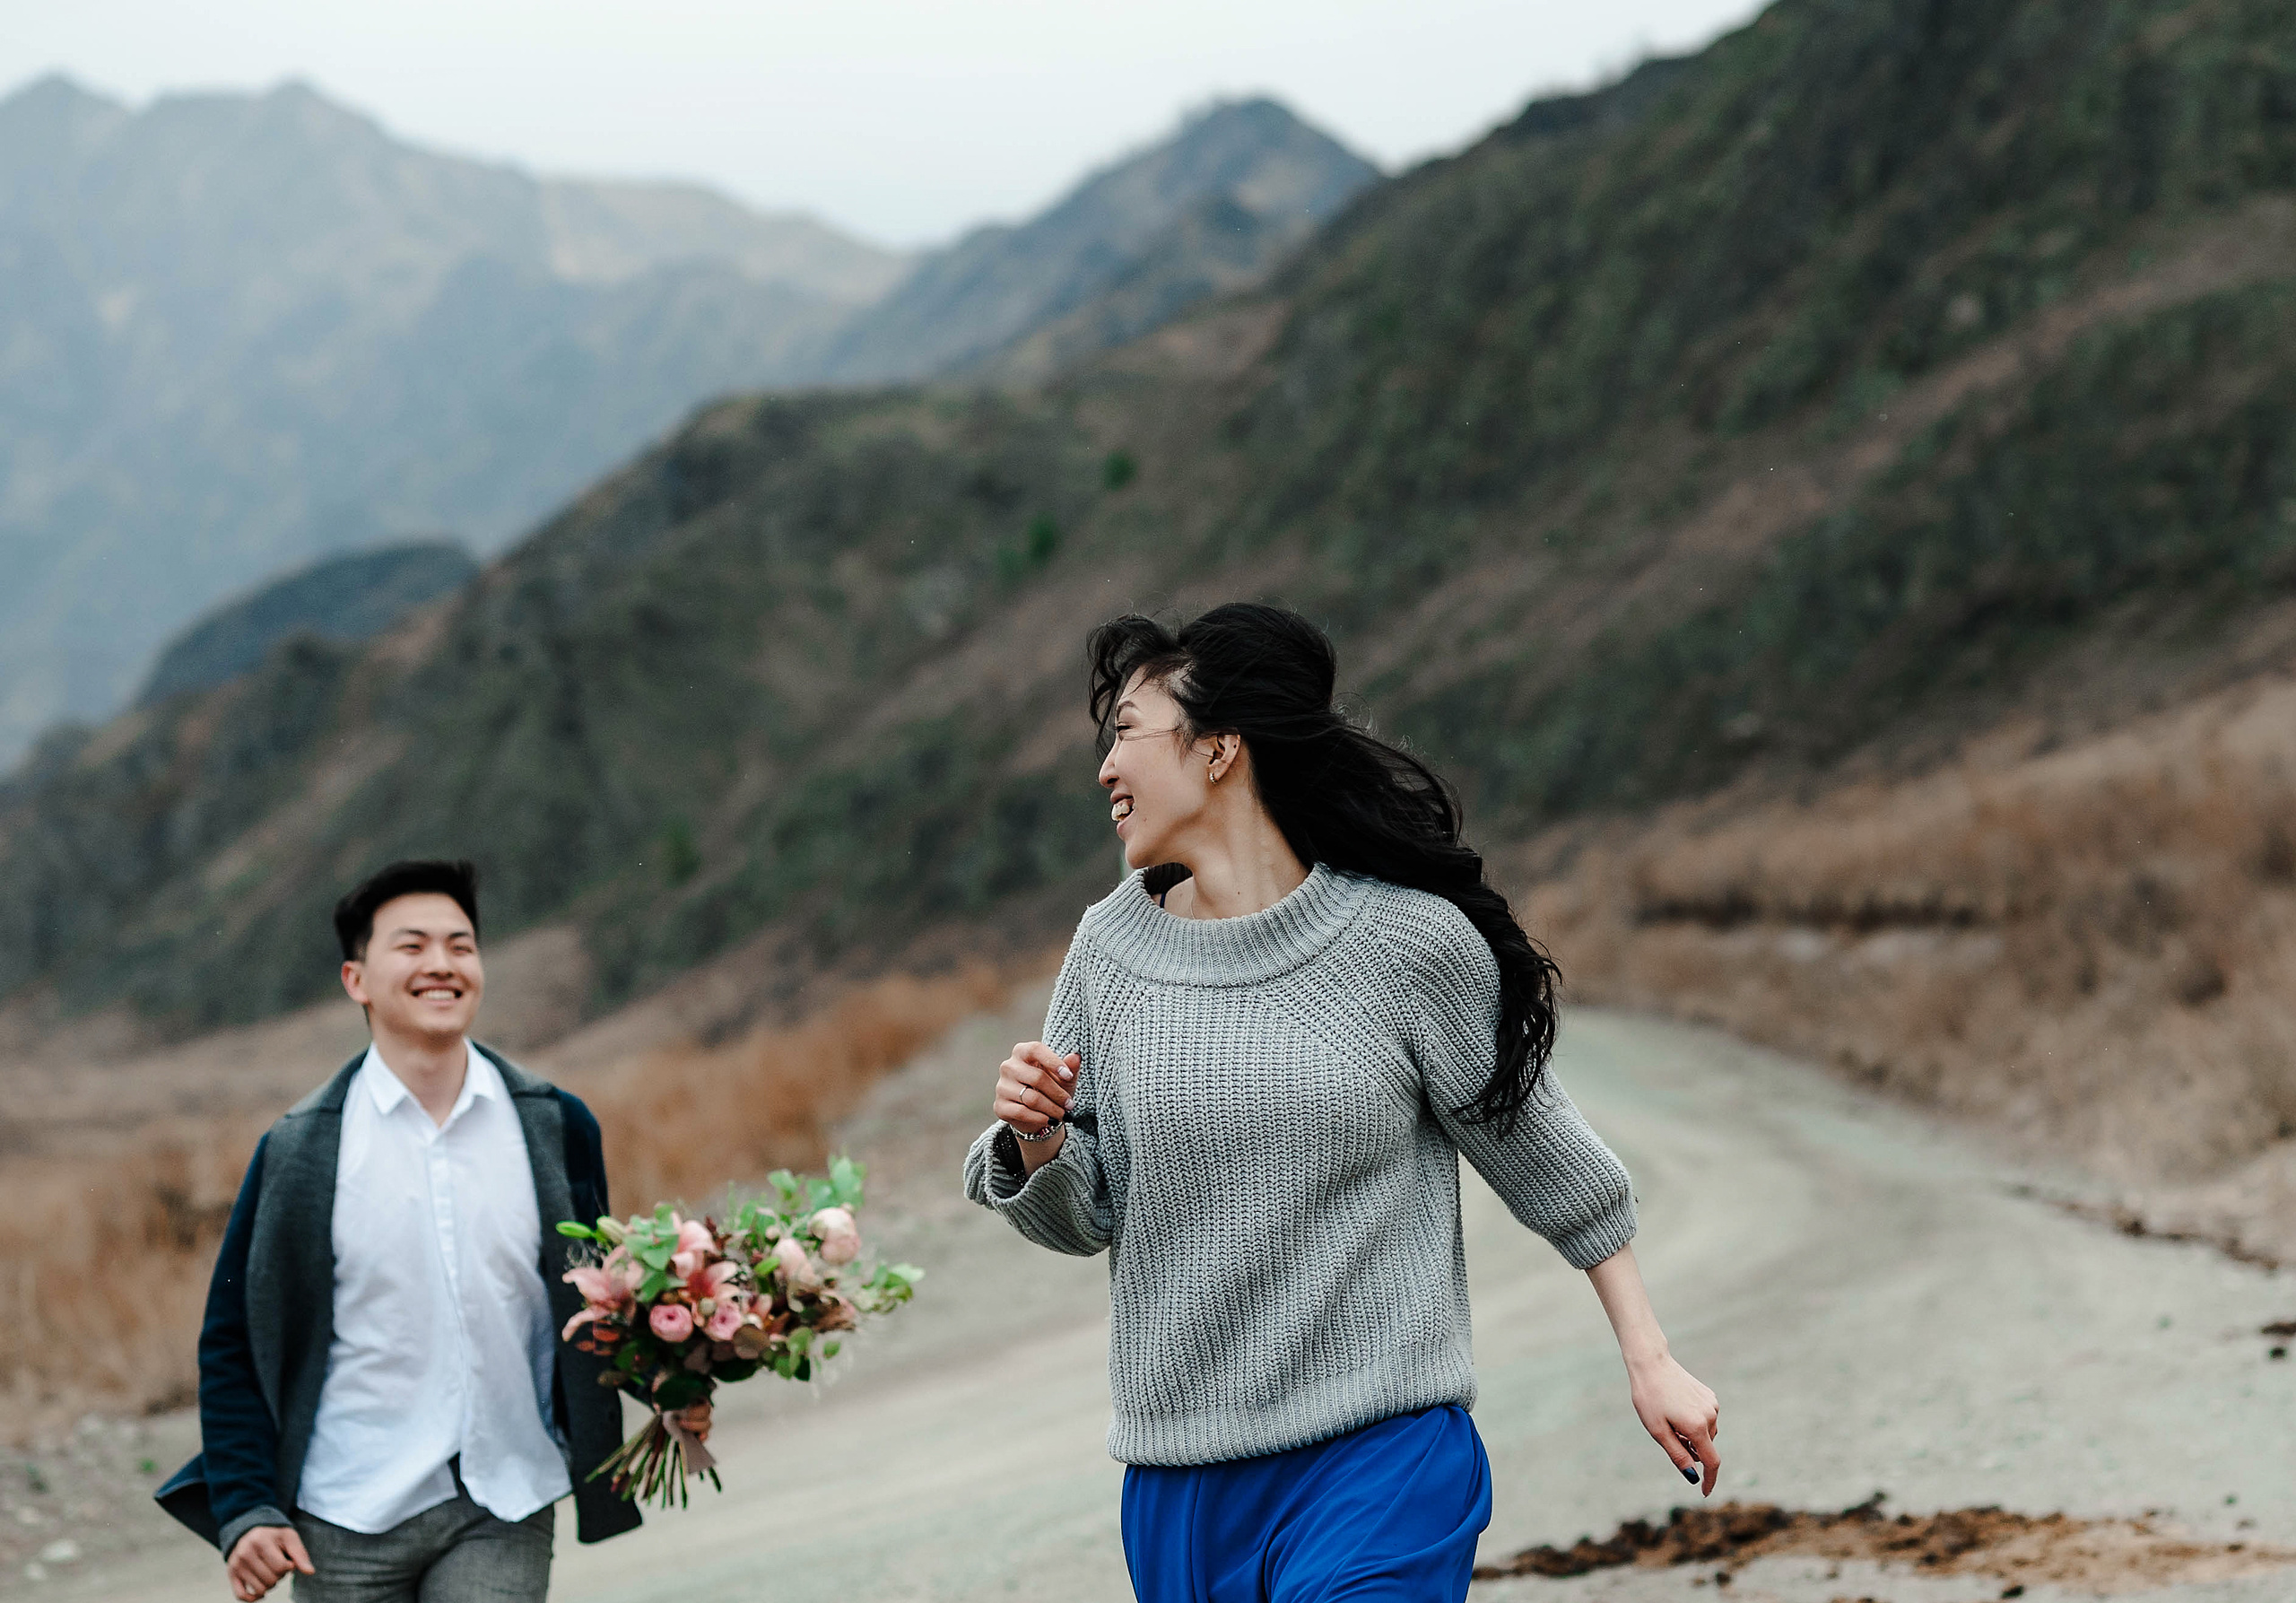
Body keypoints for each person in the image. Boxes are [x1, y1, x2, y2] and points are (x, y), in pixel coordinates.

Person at [963, 604, 1721, 1602]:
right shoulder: (1109, 953)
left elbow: (1551, 1164)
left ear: (1220, 746)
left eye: (1128, 732)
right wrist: (1038, 1138)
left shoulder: (1406, 945)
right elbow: (1084, 1216)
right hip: (1182, 1483)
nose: (1104, 768)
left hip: (1382, 1460)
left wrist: (1651, 1358)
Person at [156, 859, 644, 1601]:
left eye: (460, 945)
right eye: (412, 945)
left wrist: (675, 1379)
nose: (442, 963)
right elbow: (233, 1336)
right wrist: (246, 1507)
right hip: (342, 1514)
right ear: (356, 980)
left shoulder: (555, 1125)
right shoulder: (299, 1149)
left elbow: (601, 1301)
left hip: (503, 1498)